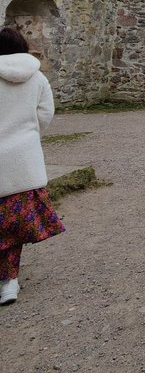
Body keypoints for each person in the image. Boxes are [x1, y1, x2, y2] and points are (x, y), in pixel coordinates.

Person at [0, 26, 64, 306]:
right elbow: (45, 114)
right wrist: (26, 136)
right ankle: (9, 283)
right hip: (21, 163)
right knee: (12, 227)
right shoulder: (37, 77)